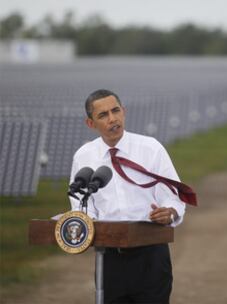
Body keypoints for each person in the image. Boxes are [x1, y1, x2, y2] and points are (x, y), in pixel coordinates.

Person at [69, 89, 192, 304]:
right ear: (91, 124)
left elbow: (173, 197)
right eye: (103, 115)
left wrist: (170, 213)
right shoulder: (84, 156)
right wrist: (84, 221)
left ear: (124, 112)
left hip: (151, 256)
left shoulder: (150, 148)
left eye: (115, 111)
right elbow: (81, 208)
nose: (112, 119)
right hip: (108, 258)